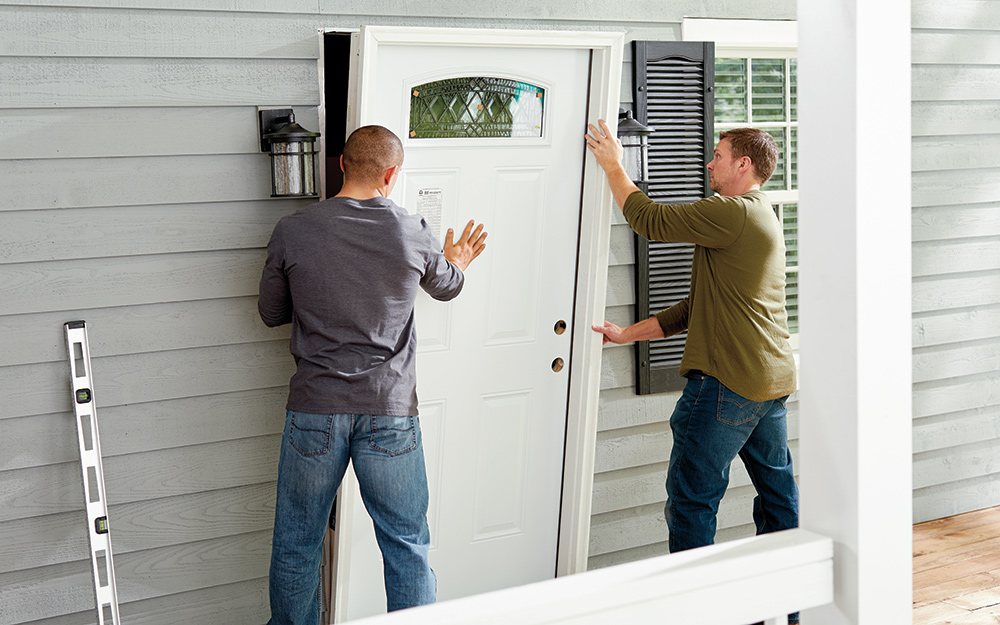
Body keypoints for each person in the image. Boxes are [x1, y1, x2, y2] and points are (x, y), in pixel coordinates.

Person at [258, 124, 487, 625]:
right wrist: (457, 261)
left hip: (314, 410)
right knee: (406, 545)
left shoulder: (293, 231)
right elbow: (446, 287)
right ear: (391, 174)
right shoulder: (412, 229)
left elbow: (271, 313)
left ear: (340, 164)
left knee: (297, 542)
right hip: (390, 413)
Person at [585, 121, 799, 624]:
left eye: (719, 154)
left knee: (691, 502)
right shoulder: (760, 214)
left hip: (727, 383)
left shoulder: (733, 213)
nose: (709, 162)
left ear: (743, 165)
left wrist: (613, 163)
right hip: (767, 384)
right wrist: (626, 335)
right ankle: (789, 606)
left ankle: (694, 611)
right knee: (778, 502)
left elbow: (649, 220)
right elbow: (695, 307)